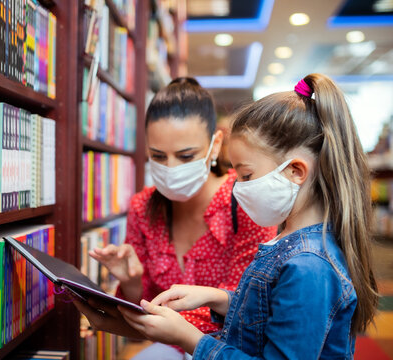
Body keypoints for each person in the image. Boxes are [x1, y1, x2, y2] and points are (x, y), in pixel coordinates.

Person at [117, 73, 380, 359]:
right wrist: (218, 297)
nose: (237, 188)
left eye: (246, 175)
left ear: (295, 172)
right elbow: (270, 310)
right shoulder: (290, 244)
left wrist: (189, 338)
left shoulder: (308, 266)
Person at [87, 77, 277, 359]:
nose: (171, 168)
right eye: (158, 156)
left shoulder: (246, 201)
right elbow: (140, 305)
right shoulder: (142, 207)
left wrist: (171, 329)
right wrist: (131, 282)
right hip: (171, 349)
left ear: (214, 146)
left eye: (186, 156)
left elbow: (249, 305)